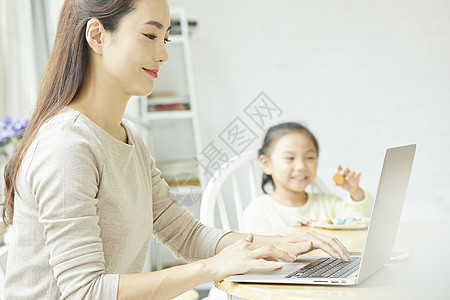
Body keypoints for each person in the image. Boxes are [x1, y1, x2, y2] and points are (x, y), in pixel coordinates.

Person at [1, 1, 350, 299]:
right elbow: (85, 291)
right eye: (150, 35)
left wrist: (283, 243)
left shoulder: (129, 137)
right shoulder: (67, 146)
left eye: (165, 37)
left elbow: (185, 232)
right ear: (97, 36)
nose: (164, 54)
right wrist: (213, 268)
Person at [243, 122, 374, 235]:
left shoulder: (329, 203)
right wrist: (294, 235)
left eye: (309, 157)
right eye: (290, 158)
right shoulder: (259, 210)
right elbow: (256, 252)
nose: (301, 166)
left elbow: (364, 224)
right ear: (266, 164)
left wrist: (355, 192)